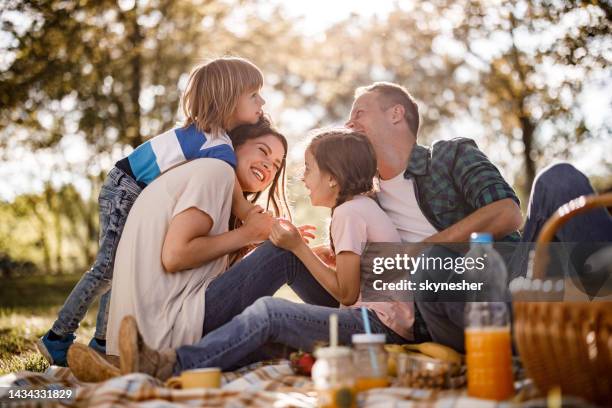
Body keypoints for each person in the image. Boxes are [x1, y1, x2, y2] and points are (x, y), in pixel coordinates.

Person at [79, 129, 417, 380]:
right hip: (377, 321)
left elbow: (347, 292)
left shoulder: (350, 214)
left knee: (271, 313)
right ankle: (165, 362)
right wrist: (309, 253)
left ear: (332, 178)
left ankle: (172, 365)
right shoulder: (360, 208)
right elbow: (358, 282)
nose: (302, 177)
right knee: (268, 318)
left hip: (377, 327)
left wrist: (298, 245)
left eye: (309, 169)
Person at [345, 81, 612, 352]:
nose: (349, 124)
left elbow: (507, 213)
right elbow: (353, 288)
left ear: (395, 114)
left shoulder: (449, 155)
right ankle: (520, 344)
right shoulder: (365, 203)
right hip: (452, 309)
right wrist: (329, 253)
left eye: (359, 113)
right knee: (433, 262)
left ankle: (604, 305)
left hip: (515, 278)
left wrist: (423, 247)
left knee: (559, 179)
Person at [38, 56, 269, 366]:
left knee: (120, 269)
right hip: (125, 185)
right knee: (107, 268)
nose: (262, 101)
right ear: (228, 98)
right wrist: (260, 225)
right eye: (253, 94)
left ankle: (103, 341)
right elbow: (238, 200)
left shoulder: (211, 139)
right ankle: (58, 336)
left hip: (132, 187)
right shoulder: (215, 144)